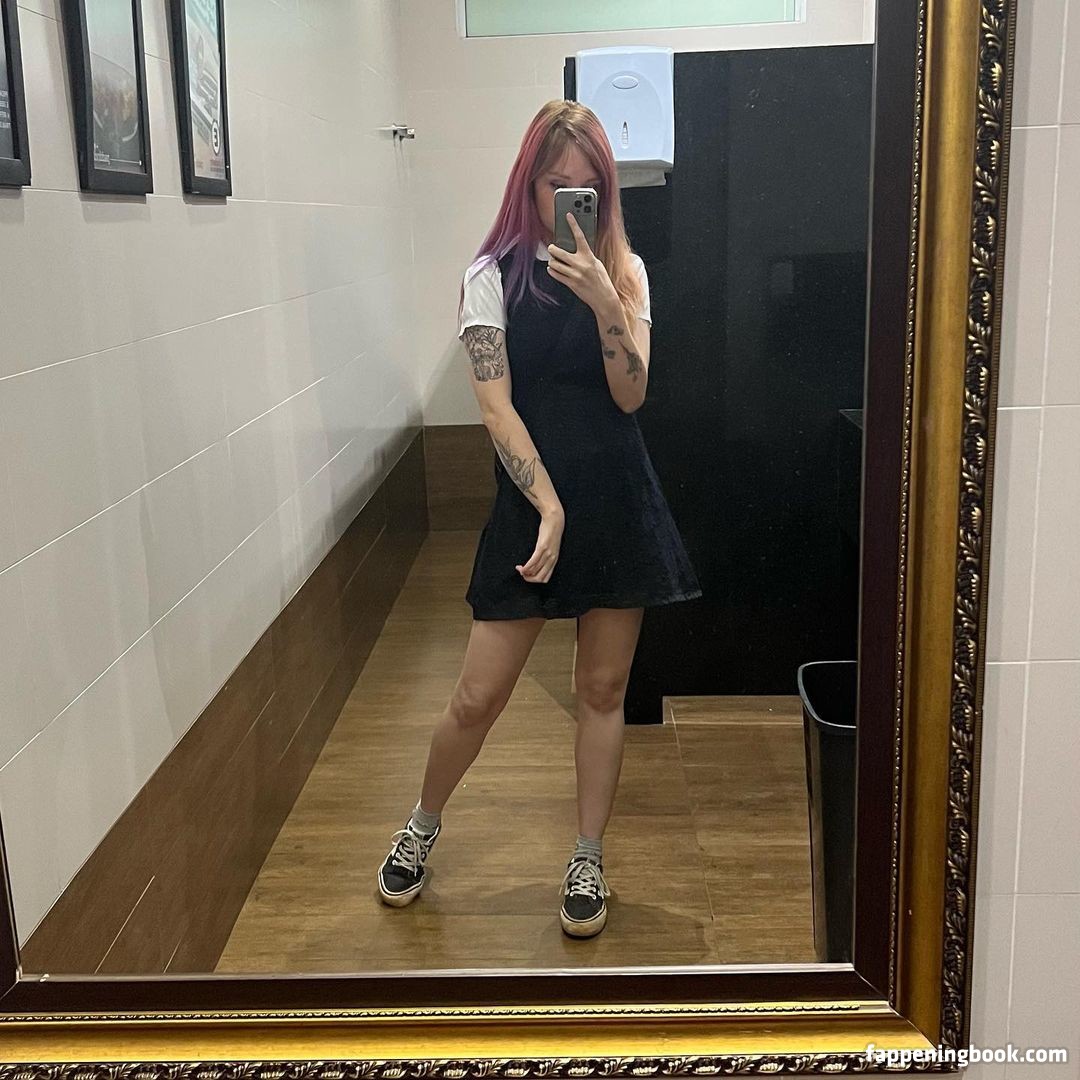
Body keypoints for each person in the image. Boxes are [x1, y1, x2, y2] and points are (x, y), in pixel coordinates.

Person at [377, 99, 701, 938]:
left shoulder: (628, 274)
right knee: (476, 696)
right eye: (558, 186)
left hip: (618, 500)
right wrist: (547, 504)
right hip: (530, 505)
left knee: (602, 690)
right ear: (528, 185)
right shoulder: (490, 276)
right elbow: (495, 408)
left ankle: (588, 855)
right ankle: (421, 824)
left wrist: (605, 303)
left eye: (588, 189)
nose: (572, 203)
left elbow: (631, 395)